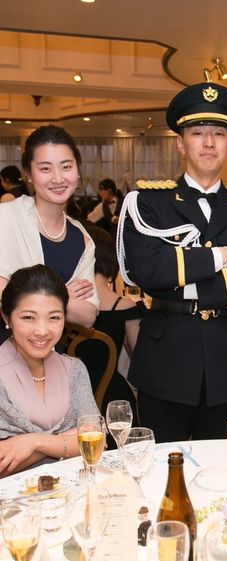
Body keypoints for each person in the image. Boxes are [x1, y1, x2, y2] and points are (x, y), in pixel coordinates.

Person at [117, 82, 227, 442]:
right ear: (180, 143)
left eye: (218, 133)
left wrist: (183, 281)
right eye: (197, 133)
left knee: (226, 467)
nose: (208, 142)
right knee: (160, 465)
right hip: (165, 360)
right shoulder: (148, 203)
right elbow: (146, 270)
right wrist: (224, 256)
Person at [0, 125, 98, 344]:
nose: (58, 178)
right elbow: (2, 297)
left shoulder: (82, 238)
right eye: (45, 168)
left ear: (77, 170)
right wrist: (63, 294)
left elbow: (88, 314)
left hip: (46, 351)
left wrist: (30, 296)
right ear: (29, 174)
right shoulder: (5, 218)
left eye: (66, 166)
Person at [0, 265, 99, 476]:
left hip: (74, 489)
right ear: (7, 318)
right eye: (29, 317)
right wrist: (66, 440)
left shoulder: (74, 369)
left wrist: (32, 443)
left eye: (54, 317)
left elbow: (96, 443)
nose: (42, 331)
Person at [77, 225, 143, 414]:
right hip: (111, 399)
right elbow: (139, 360)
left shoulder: (63, 303)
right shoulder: (125, 307)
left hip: (67, 397)